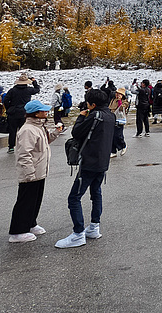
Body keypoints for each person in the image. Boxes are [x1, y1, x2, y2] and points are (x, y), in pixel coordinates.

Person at [55, 89, 115, 249]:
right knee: (96, 193)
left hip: (90, 162)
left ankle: (78, 233)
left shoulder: (95, 116)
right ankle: (94, 227)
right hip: (102, 162)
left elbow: (76, 133)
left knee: (74, 198)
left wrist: (81, 117)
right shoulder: (110, 115)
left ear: (93, 105)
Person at [8, 100, 62, 243]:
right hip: (30, 173)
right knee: (25, 201)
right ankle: (17, 231)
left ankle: (30, 224)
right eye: (43, 111)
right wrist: (29, 173)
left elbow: (44, 142)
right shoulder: (28, 130)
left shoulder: (38, 127)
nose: (46, 112)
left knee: (35, 200)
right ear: (36, 113)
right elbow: (24, 154)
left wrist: (56, 132)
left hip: (39, 171)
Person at [4, 74, 40, 153]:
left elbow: (5, 100)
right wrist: (34, 82)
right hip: (24, 112)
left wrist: (9, 108)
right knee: (23, 130)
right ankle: (22, 146)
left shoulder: (12, 90)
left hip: (13, 112)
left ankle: (11, 147)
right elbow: (37, 89)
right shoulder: (28, 90)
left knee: (12, 130)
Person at [109, 87, 129, 157]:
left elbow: (121, 109)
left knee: (118, 135)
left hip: (119, 120)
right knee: (111, 136)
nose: (117, 95)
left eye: (119, 94)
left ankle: (123, 146)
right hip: (112, 119)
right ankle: (113, 151)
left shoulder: (125, 101)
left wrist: (119, 100)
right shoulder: (113, 100)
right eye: (117, 93)